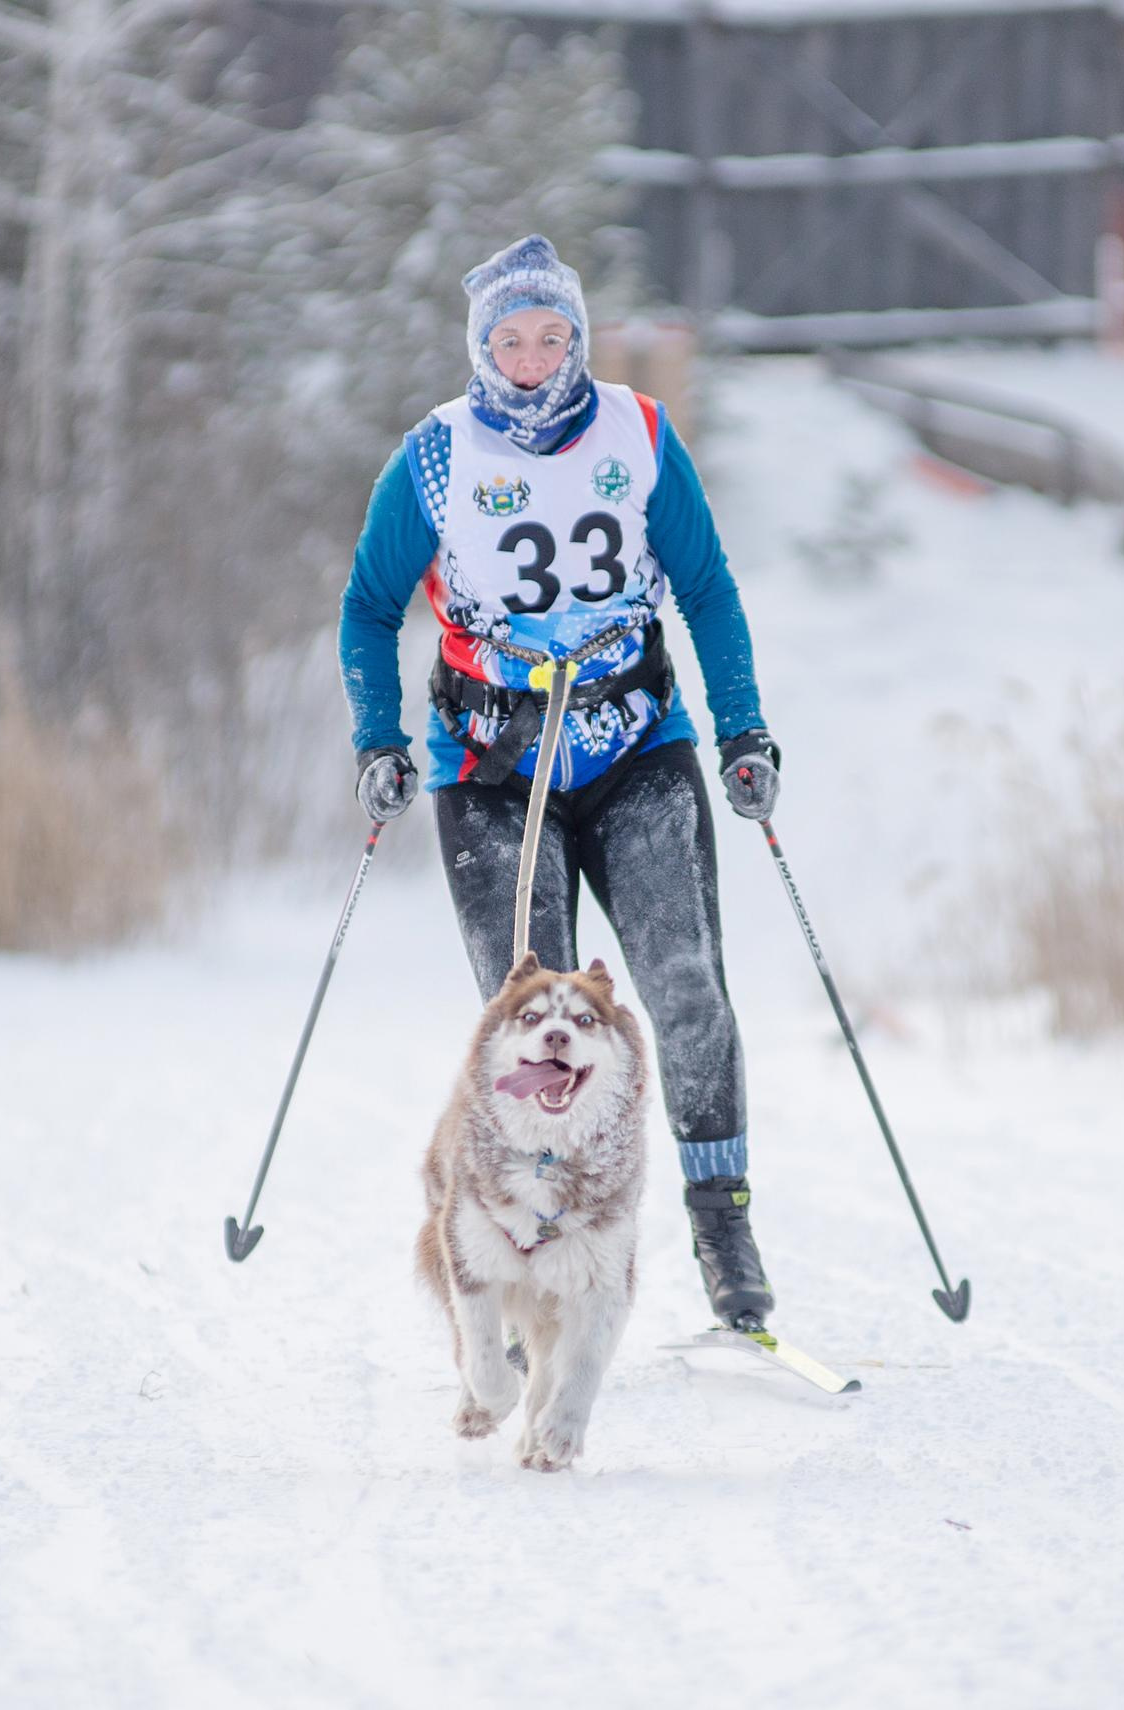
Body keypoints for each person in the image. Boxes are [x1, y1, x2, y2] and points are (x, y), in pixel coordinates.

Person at [337, 233, 783, 1332]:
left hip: (636, 749)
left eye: (553, 336)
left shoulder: (636, 431)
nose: (534, 357)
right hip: (492, 769)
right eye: (511, 339)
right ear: (480, 347)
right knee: (535, 1031)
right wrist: (378, 740)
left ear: (578, 339)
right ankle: (526, 1238)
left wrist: (744, 731)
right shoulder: (435, 457)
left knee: (684, 989)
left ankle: (719, 1217)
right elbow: (367, 604)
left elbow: (708, 589)